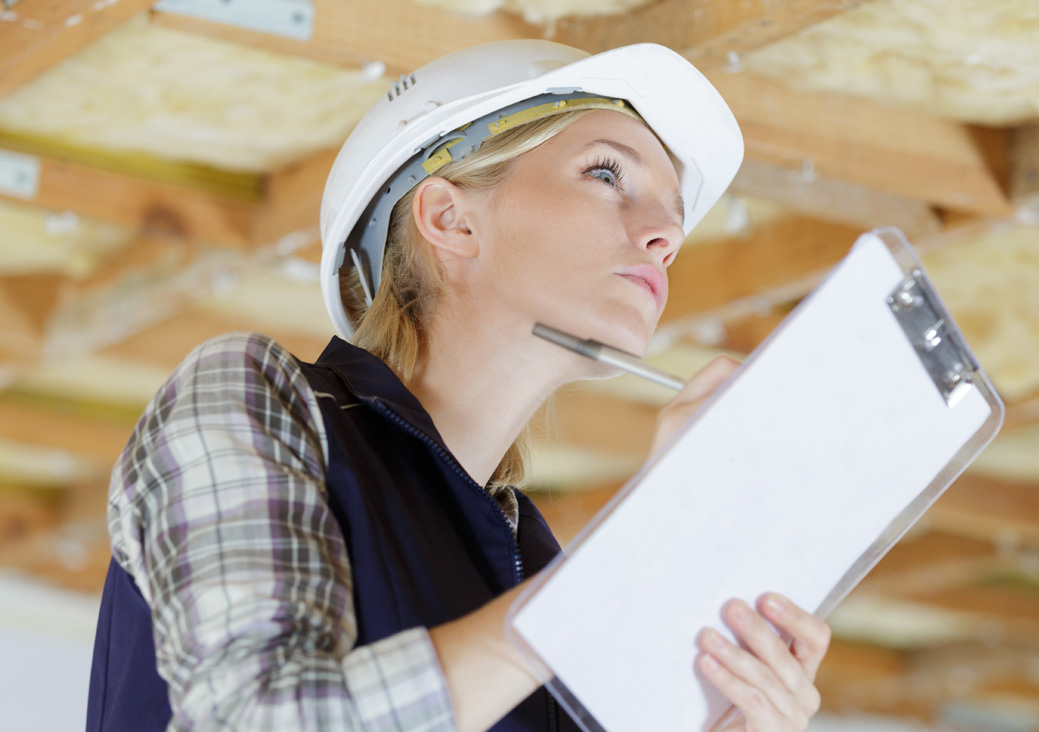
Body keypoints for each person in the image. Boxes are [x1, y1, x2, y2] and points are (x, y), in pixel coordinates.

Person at [86, 39, 831, 732]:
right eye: (607, 173)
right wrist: (630, 553)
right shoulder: (254, 401)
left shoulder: (536, 567)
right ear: (450, 218)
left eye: (673, 218)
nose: (665, 235)